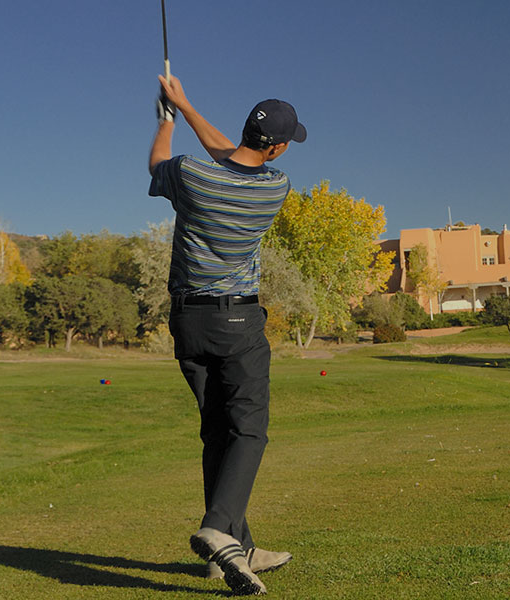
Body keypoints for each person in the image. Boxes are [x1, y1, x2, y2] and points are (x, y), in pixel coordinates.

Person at [148, 74, 306, 596]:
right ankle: (218, 529)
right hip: (239, 321)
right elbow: (232, 156)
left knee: (216, 431)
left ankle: (235, 549)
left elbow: (161, 164)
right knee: (249, 430)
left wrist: (170, 117)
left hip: (188, 322)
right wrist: (186, 108)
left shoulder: (192, 177)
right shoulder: (275, 187)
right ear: (278, 147)